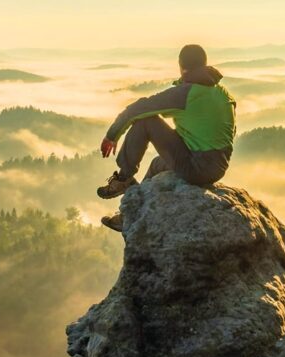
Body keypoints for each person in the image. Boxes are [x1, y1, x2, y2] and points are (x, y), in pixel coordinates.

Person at [96, 44, 237, 232]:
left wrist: (112, 136)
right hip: (219, 166)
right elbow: (226, 131)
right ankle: (130, 214)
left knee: (146, 121)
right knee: (157, 165)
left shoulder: (185, 93)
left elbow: (137, 109)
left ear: (181, 66)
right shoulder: (224, 94)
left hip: (196, 168)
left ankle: (124, 178)